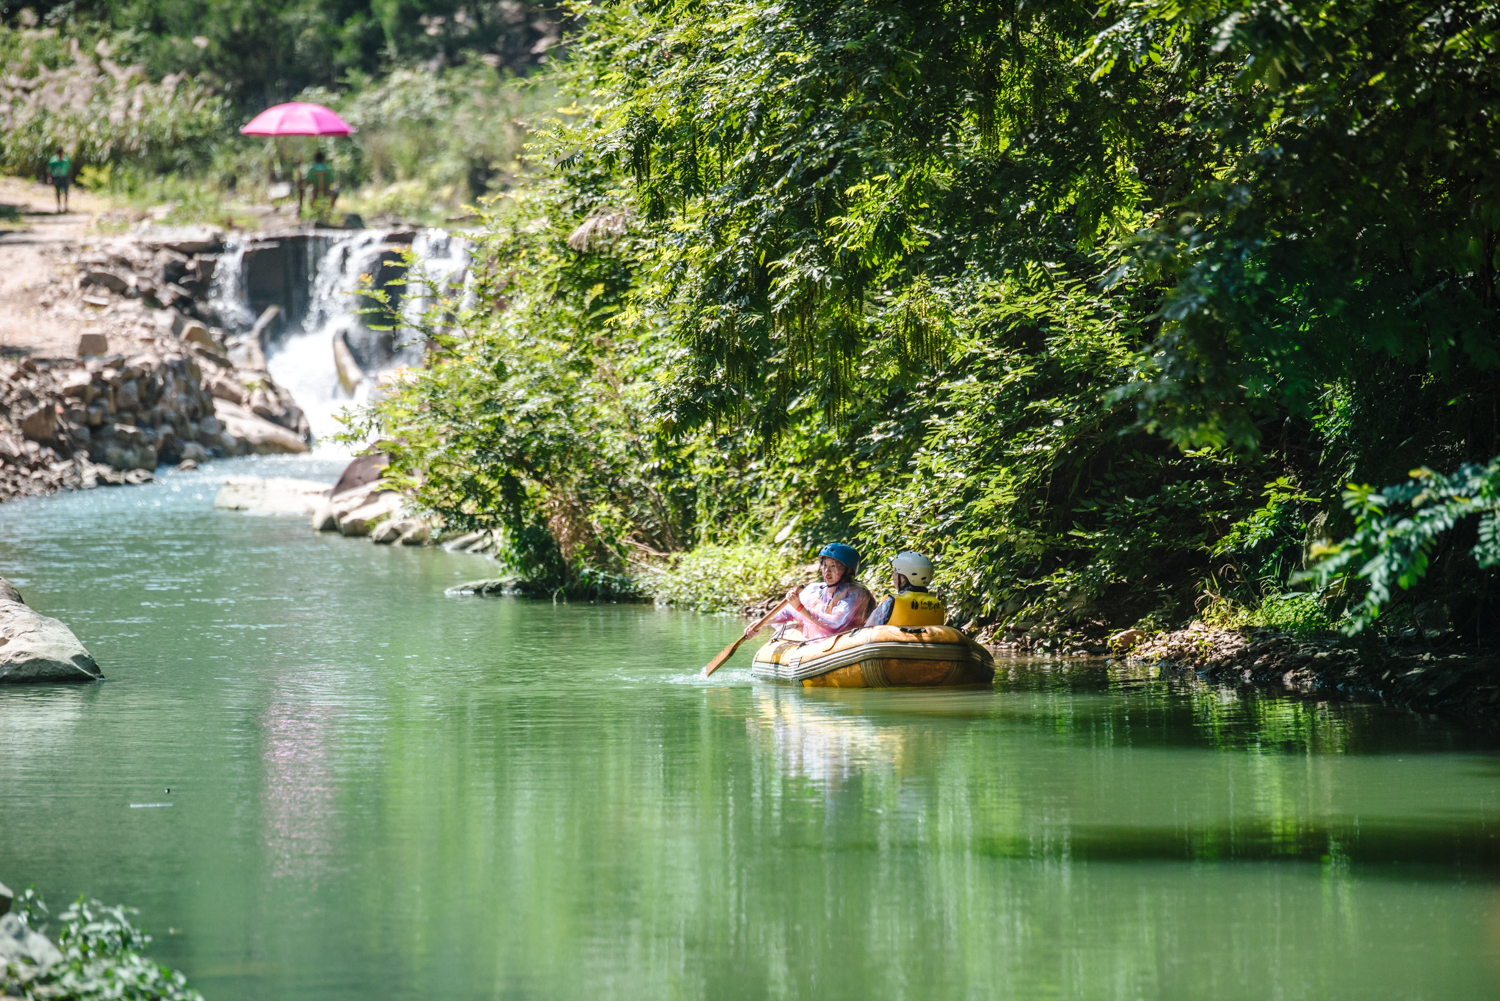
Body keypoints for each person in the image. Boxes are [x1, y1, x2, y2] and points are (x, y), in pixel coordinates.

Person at [749, 543, 875, 642]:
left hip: (846, 645)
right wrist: (761, 623)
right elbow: (787, 613)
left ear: (848, 571)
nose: (827, 571)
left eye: (834, 566)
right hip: (817, 647)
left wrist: (800, 607)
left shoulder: (856, 594)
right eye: (825, 565)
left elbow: (836, 623)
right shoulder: (815, 589)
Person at [865, 551, 946, 627]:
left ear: (903, 578)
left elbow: (869, 630)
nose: (893, 576)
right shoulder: (937, 604)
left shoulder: (891, 601)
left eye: (895, 571)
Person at [47, 147, 71, 214]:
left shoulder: (66, 160)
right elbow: (49, 170)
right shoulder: (53, 161)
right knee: (58, 192)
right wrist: (49, 178)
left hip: (64, 177)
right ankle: (59, 207)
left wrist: (70, 179)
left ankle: (66, 207)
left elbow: (69, 170)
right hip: (56, 177)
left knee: (66, 192)